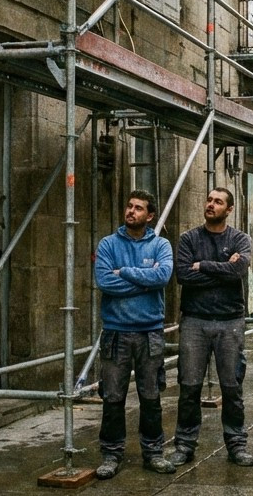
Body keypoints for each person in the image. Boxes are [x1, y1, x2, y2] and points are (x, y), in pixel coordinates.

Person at [167, 188, 253, 467]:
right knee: (189, 386)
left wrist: (202, 265)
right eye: (209, 200)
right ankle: (185, 444)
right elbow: (183, 276)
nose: (211, 204)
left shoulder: (240, 239)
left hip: (230, 320)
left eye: (218, 202)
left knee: (231, 386)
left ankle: (237, 444)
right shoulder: (189, 238)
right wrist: (221, 270)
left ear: (229, 209)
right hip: (195, 320)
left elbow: (238, 272)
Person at [94, 190, 176, 479]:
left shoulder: (161, 245)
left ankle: (154, 452)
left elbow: (163, 277)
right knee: (113, 396)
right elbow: (105, 282)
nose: (131, 211)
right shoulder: (108, 244)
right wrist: (144, 280)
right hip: (116, 332)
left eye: (138, 208)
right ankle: (111, 454)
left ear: (149, 215)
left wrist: (124, 272)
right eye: (129, 206)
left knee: (151, 395)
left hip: (149, 333)